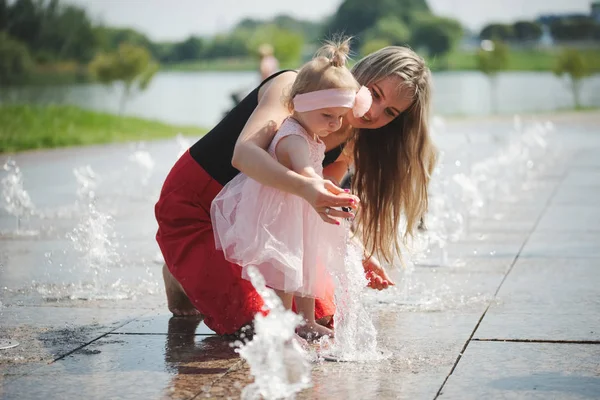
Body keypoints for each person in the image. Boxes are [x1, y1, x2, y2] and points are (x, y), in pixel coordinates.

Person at [155, 38, 437, 336]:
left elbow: (315, 207)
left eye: (390, 113)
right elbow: (244, 155)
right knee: (261, 325)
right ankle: (179, 271)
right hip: (198, 205)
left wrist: (357, 251)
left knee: (319, 317)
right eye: (375, 94)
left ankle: (198, 271)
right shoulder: (293, 88)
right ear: (360, 75)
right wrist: (305, 187)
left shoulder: (353, 142)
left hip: (255, 223)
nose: (374, 113)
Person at [211, 42, 372, 340]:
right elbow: (306, 170)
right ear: (301, 103)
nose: (336, 124)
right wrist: (319, 185)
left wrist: (327, 187)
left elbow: (314, 174)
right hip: (285, 212)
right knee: (288, 270)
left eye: (340, 116)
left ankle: (306, 320)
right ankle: (285, 326)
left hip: (302, 208)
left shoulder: (310, 131)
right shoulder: (293, 136)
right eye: (328, 115)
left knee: (309, 270)